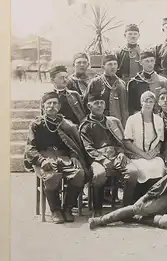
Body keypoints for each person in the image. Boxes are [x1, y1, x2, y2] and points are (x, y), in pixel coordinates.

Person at [89, 143, 167, 230]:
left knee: (166, 222)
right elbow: (161, 185)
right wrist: (145, 198)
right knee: (137, 207)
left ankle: (138, 219)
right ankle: (100, 220)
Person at [24, 92, 87, 224]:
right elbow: (30, 148)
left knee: (79, 174)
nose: (52, 106)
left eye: (55, 103)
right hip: (44, 157)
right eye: (49, 103)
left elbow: (73, 144)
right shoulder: (36, 124)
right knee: (52, 176)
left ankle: (68, 208)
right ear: (43, 106)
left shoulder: (66, 124)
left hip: (64, 157)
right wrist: (41, 160)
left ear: (59, 106)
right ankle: (55, 210)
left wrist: (74, 156)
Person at [79, 94, 138, 214]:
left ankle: (126, 209)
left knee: (132, 172)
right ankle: (97, 209)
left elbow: (120, 141)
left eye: (101, 103)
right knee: (99, 174)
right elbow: (88, 148)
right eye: (96, 103)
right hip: (96, 158)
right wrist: (102, 159)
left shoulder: (111, 122)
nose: (100, 105)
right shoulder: (85, 126)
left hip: (115, 155)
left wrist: (121, 153)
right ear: (89, 106)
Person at [123, 91, 167, 185]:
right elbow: (127, 142)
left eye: (151, 101)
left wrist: (154, 152)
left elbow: (160, 141)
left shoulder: (159, 120)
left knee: (159, 167)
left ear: (154, 104)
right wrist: (143, 154)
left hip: (153, 156)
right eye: (145, 101)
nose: (148, 104)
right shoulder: (132, 119)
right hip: (137, 155)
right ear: (141, 102)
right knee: (143, 168)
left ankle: (154, 196)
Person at [84, 54, 129, 127]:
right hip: (99, 122)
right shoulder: (95, 82)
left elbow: (124, 108)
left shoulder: (122, 84)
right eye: (110, 64)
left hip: (116, 122)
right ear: (103, 67)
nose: (113, 67)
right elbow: (86, 103)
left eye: (115, 64)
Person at [127, 50, 167, 116]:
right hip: (140, 117)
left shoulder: (163, 81)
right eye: (147, 61)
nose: (150, 64)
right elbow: (131, 107)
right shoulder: (134, 82)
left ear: (155, 62)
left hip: (159, 116)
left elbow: (166, 103)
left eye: (152, 61)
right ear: (140, 62)